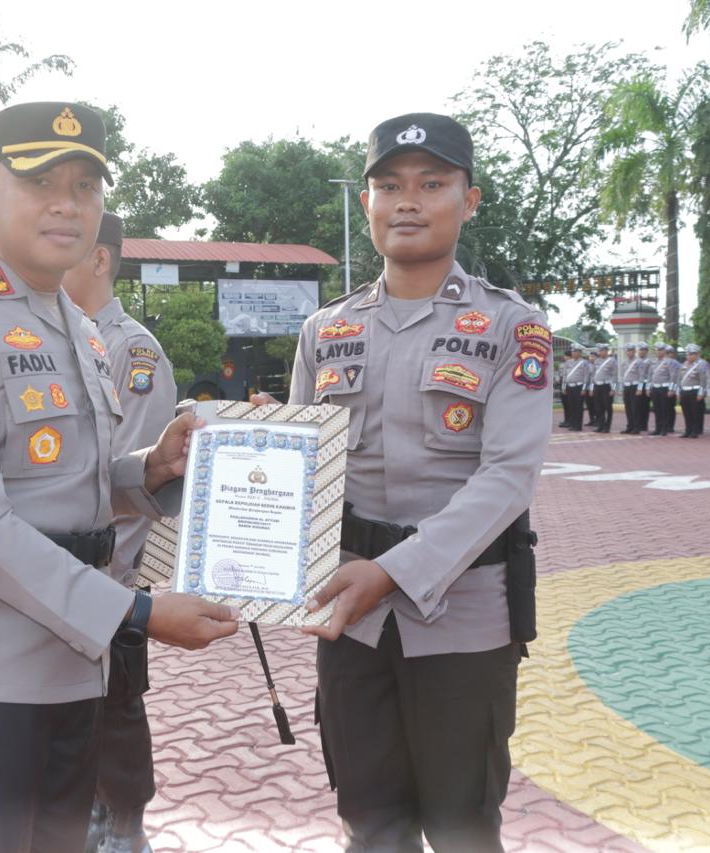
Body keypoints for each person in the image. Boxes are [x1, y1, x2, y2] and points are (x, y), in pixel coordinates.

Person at [0, 102, 239, 853]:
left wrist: (151, 468)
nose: (67, 203)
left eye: (85, 185)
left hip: (74, 670)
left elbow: (65, 484)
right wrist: (136, 615)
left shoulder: (71, 323)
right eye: (41, 181)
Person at [256, 111, 550, 853]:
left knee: (462, 827)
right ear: (367, 204)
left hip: (462, 617)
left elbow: (508, 476)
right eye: (389, 185)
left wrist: (390, 573)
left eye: (432, 183)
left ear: (469, 199)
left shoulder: (513, 326)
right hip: (349, 618)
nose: (408, 201)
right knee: (369, 823)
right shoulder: (326, 330)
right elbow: (300, 472)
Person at [61, 211, 177, 853]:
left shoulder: (132, 351)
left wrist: (102, 592)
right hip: (53, 592)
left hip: (105, 594)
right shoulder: (50, 338)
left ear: (101, 259)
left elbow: (131, 487)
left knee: (114, 766)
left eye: (70, 247)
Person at [676, 344, 710, 438]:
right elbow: (679, 379)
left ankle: (695, 431)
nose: (689, 356)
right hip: (685, 391)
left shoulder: (701, 364)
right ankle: (688, 430)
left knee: (695, 412)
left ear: (697, 354)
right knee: (686, 412)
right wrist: (678, 391)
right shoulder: (684, 364)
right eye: (688, 354)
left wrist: (701, 393)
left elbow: (704, 380)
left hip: (695, 390)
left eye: (692, 354)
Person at [648, 344, 679, 436]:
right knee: (656, 409)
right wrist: (649, 388)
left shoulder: (670, 362)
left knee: (664, 409)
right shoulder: (654, 362)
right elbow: (650, 376)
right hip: (655, 388)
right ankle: (658, 428)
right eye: (657, 350)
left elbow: (673, 377)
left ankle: (664, 429)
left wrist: (671, 389)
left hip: (664, 388)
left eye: (660, 350)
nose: (658, 352)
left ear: (664, 351)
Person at [561, 344, 590, 431]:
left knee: (578, 407)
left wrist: (584, 388)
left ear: (579, 353)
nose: (573, 353)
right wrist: (564, 387)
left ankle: (578, 425)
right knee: (571, 406)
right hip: (569, 386)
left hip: (579, 386)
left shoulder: (584, 362)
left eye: (575, 352)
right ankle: (573, 424)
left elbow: (586, 376)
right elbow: (565, 375)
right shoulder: (568, 362)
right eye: (572, 352)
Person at [590, 342, 617, 433]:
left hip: (607, 386)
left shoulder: (612, 361)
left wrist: (613, 388)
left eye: (602, 350)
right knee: (598, 407)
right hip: (597, 385)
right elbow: (593, 374)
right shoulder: (597, 361)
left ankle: (607, 426)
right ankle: (600, 425)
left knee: (607, 407)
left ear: (606, 351)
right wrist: (592, 388)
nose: (600, 352)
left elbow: (614, 375)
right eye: (600, 350)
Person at [583, 349, 599, 427]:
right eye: (590, 356)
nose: (591, 358)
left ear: (596, 357)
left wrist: (592, 388)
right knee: (589, 405)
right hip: (588, 387)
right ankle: (591, 419)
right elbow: (586, 376)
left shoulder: (598, 365)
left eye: (593, 356)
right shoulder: (588, 365)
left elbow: (594, 378)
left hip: (595, 387)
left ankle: (597, 420)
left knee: (596, 404)